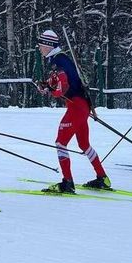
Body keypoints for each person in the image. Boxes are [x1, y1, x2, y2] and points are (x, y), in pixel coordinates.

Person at [35, 30, 111, 193]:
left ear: (48, 45)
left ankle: (67, 182)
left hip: (76, 106)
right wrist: (47, 86)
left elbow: (62, 86)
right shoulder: (60, 59)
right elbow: (60, 82)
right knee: (84, 144)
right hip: (82, 105)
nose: (40, 48)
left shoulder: (57, 61)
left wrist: (50, 91)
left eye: (41, 45)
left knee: (60, 142)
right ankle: (102, 178)